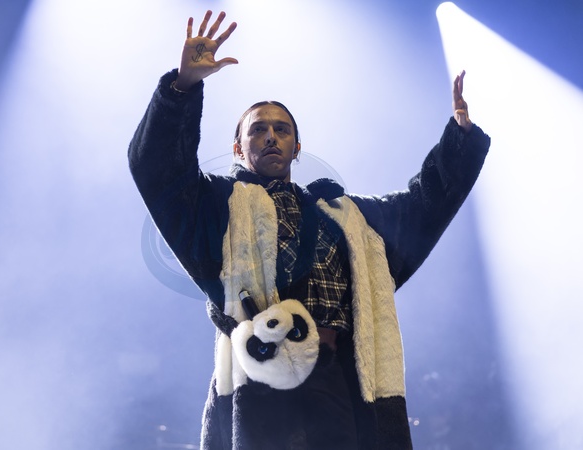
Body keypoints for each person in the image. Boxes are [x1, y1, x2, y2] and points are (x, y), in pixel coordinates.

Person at [129, 10, 490, 450]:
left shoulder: (347, 216)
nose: (270, 136)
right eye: (258, 130)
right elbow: (159, 170)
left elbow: (421, 207)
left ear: (296, 148)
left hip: (339, 385)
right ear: (238, 147)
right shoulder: (216, 208)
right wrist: (181, 88)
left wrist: (460, 139)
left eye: (281, 130)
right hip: (261, 390)